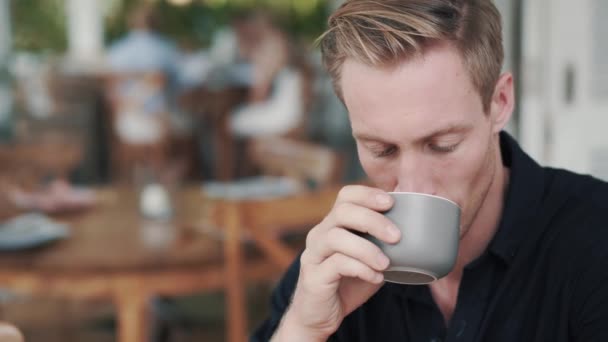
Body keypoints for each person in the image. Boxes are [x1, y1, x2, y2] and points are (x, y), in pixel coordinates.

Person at [252, 0, 608, 341]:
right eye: (382, 150)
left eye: (443, 145)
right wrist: (303, 329)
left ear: (499, 103)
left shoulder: (594, 236)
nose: (413, 184)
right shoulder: (334, 264)